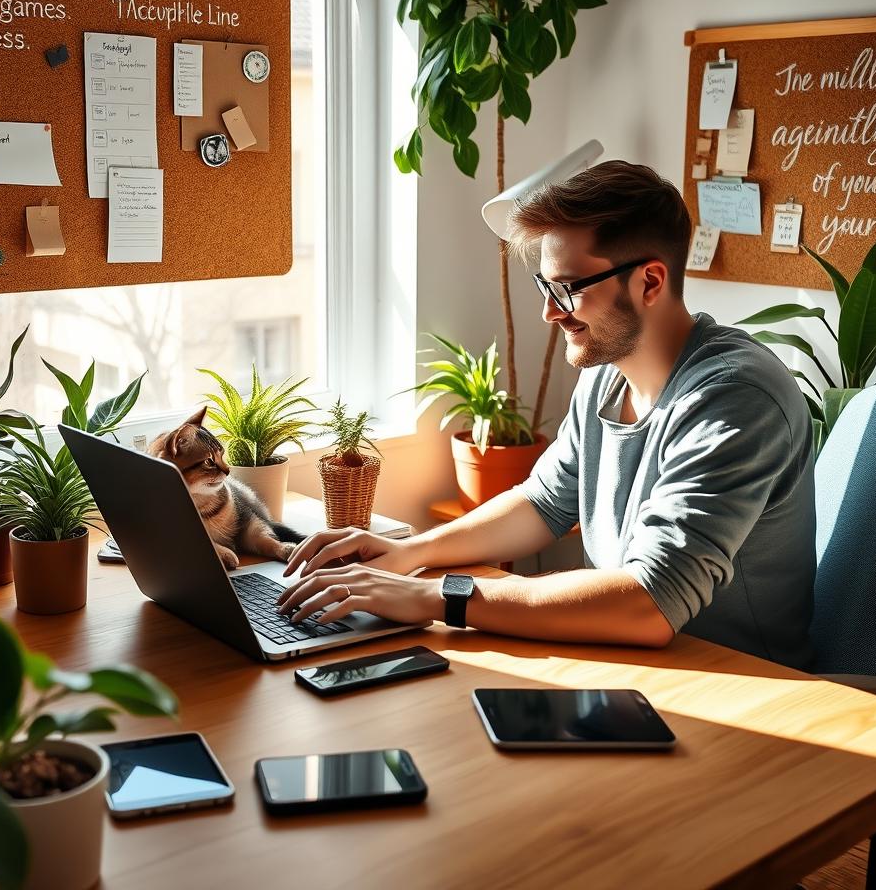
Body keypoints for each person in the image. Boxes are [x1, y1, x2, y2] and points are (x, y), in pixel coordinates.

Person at [277, 161, 816, 669]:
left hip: (735, 685)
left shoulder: (736, 397)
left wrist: (431, 596)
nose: (549, 312)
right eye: (546, 285)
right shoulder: (608, 372)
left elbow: (651, 602)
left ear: (650, 282)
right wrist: (407, 552)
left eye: (569, 288)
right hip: (631, 665)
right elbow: (541, 503)